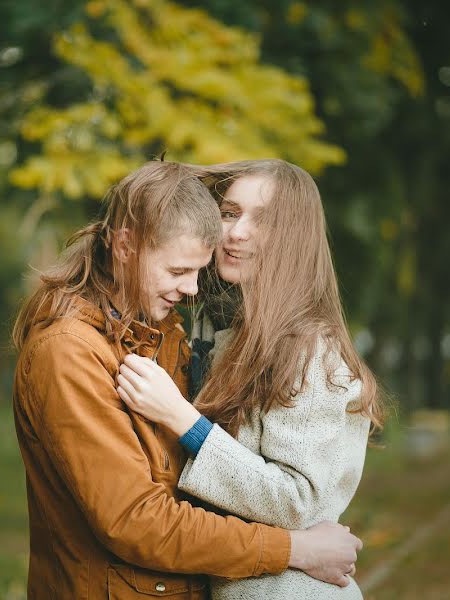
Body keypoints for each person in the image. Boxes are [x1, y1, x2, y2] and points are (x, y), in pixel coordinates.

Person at [11, 160, 363, 599]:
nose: (193, 288)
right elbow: (139, 519)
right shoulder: (72, 350)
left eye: (195, 273)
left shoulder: (174, 331)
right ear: (124, 246)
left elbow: (286, 496)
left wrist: (189, 425)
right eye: (230, 213)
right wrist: (295, 549)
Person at [116, 159, 384, 599]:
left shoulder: (311, 350)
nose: (236, 232)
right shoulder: (224, 334)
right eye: (230, 212)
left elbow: (299, 501)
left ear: (294, 239)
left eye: (263, 220)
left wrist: (184, 421)